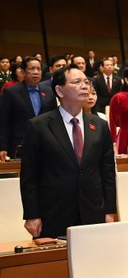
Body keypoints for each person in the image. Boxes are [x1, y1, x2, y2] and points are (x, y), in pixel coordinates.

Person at [20, 65, 116, 238]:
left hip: (93, 211)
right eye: (77, 82)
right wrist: (32, 214)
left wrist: (110, 210)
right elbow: (29, 176)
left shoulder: (100, 125)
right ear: (59, 90)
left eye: (86, 82)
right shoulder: (38, 126)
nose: (85, 86)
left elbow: (107, 171)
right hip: (54, 213)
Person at [0, 56, 57, 160]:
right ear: (23, 72)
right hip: (19, 144)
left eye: (38, 69)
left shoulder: (49, 92)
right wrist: (2, 147)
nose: (36, 72)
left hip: (45, 143)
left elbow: (54, 119)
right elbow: (3, 122)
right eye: (31, 69)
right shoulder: (11, 92)